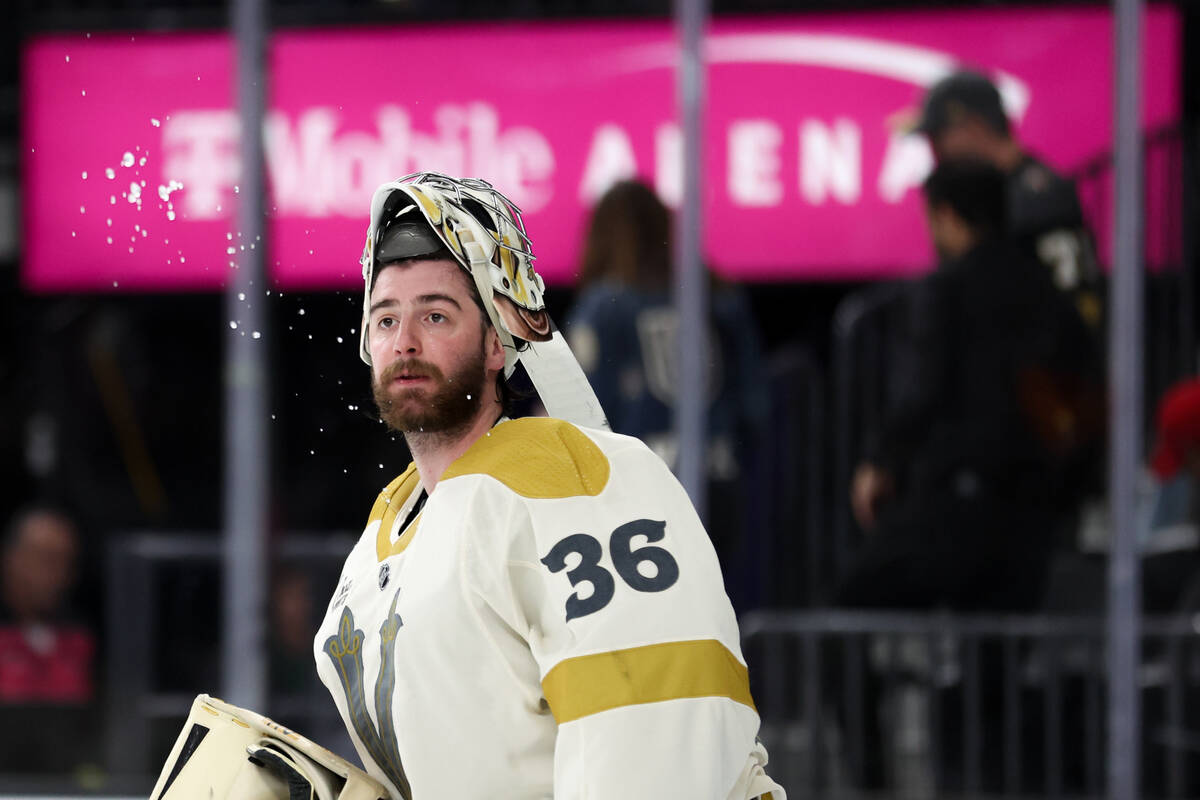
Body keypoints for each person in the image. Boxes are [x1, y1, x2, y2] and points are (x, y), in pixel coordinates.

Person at [312, 172, 784, 800]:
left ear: (497, 343)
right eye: (386, 317)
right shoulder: (386, 527)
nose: (406, 341)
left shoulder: (568, 481)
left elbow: (651, 745)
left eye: (436, 314)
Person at [836, 159, 1102, 792]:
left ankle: (868, 774)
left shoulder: (949, 290)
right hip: (1030, 528)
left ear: (948, 216)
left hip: (953, 519)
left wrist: (880, 462)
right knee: (993, 672)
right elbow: (1084, 412)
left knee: (844, 611)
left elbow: (921, 393)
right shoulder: (1051, 297)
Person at [565, 179, 769, 587]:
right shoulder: (720, 300)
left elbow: (580, 418)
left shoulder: (604, 308)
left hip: (632, 497)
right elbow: (755, 407)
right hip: (721, 484)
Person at [915, 69, 1102, 330]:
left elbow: (1074, 302)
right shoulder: (983, 192)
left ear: (975, 128)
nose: (935, 153)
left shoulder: (1038, 196)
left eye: (938, 138)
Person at [0, 505, 99, 772]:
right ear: (12, 558)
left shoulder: (80, 637)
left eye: (65, 562)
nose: (57, 575)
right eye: (45, 559)